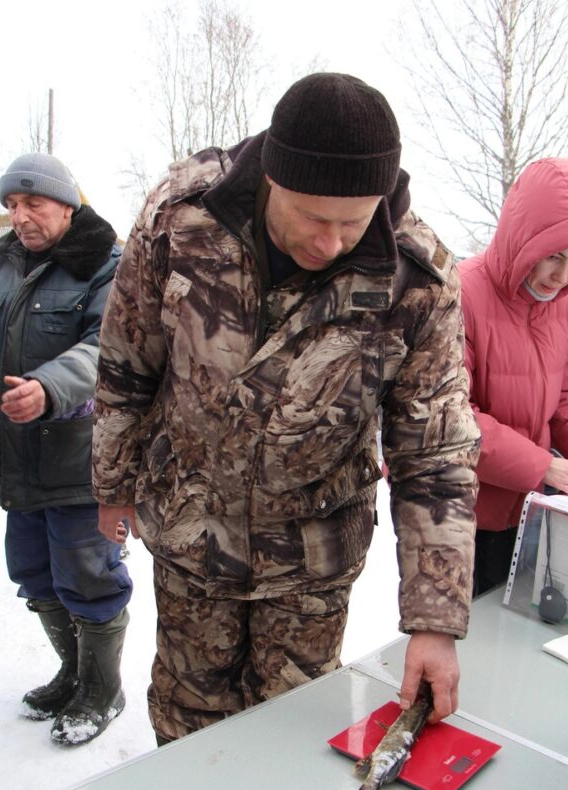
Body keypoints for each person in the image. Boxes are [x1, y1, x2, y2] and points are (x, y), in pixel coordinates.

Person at [93, 73, 480, 745]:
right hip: (191, 537)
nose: (330, 243)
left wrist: (434, 621)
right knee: (188, 729)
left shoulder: (416, 279)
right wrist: (112, 485)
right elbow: (127, 363)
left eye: (353, 222)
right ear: (272, 176)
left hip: (313, 562)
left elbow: (437, 455)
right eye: (311, 216)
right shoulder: (182, 220)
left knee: (291, 741)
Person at [0, 153, 133, 744]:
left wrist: (48, 388)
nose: (21, 216)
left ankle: (103, 690)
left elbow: (108, 348)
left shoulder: (105, 265)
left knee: (88, 576)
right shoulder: (2, 262)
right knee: (32, 570)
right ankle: (73, 673)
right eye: (12, 205)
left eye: (34, 204)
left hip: (80, 458)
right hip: (17, 457)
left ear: (68, 206)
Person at [459, 158, 568, 596]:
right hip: (455, 508)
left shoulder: (562, 303)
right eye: (554, 256)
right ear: (523, 237)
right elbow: (450, 415)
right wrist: (542, 465)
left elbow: (564, 397)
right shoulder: (459, 292)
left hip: (525, 507)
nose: (564, 276)